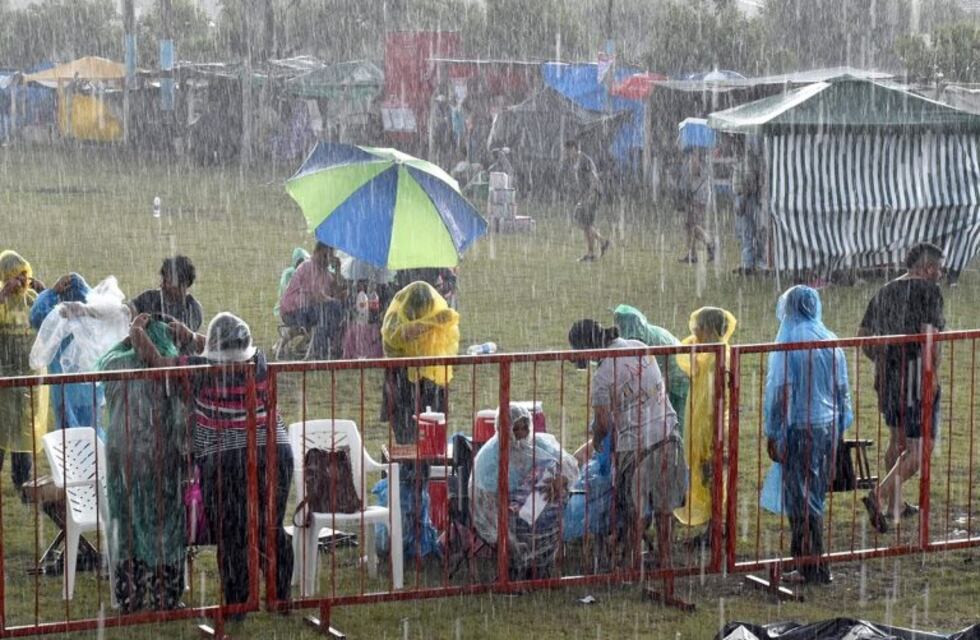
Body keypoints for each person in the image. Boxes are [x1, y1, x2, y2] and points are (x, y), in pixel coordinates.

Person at [128, 312, 294, 612]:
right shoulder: (260, 363)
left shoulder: (200, 369)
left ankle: (238, 603)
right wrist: (191, 336)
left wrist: (137, 330)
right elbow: (223, 346)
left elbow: (157, 364)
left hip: (224, 459)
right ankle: (280, 597)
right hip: (275, 453)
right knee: (271, 527)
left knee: (231, 532)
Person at [568, 319, 686, 568]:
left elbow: (602, 423)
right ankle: (665, 560)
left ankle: (632, 563)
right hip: (669, 435)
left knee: (636, 511)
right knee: (665, 507)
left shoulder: (602, 376)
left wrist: (599, 442)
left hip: (637, 447)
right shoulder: (638, 346)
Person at [762, 286, 852, 584]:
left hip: (801, 428)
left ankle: (812, 566)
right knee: (812, 495)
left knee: (800, 498)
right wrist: (838, 429)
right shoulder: (830, 339)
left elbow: (782, 391)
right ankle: (807, 561)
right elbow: (842, 391)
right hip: (826, 427)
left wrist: (774, 431)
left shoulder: (790, 341)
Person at [99, 318, 188, 611]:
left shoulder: (117, 365)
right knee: (164, 525)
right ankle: (166, 595)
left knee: (126, 525)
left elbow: (104, 360)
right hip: (159, 455)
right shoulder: (171, 366)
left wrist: (130, 337)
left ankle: (129, 596)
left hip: (122, 457)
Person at [859, 243, 946, 533]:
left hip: (887, 378)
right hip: (916, 377)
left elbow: (863, 337)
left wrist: (885, 359)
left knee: (897, 442)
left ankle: (896, 507)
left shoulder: (885, 290)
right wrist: (929, 377)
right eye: (938, 268)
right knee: (920, 450)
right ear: (928, 268)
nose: (940, 274)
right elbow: (928, 337)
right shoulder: (928, 291)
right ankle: (878, 495)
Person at [381, 281, 459, 558]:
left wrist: (439, 320)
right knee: (407, 460)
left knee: (427, 459)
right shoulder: (394, 317)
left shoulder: (429, 312)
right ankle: (405, 533)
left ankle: (420, 529)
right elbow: (400, 336)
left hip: (427, 390)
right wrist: (431, 322)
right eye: (420, 312)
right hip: (402, 392)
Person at [472, 403, 578, 580]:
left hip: (542, 508)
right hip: (510, 514)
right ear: (502, 429)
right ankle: (522, 564)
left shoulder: (540, 444)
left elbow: (570, 467)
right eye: (516, 428)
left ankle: (542, 564)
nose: (521, 433)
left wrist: (561, 480)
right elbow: (487, 503)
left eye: (525, 427)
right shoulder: (490, 457)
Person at [673, 307, 737, 538]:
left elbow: (717, 400)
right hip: (709, 426)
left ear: (708, 328)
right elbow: (685, 355)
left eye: (697, 327)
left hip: (714, 429)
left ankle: (717, 529)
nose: (694, 332)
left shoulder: (717, 356)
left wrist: (713, 434)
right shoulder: (712, 352)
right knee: (710, 477)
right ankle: (714, 528)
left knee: (712, 476)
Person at [29, 273, 103, 429]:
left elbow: (36, 317)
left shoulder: (60, 319)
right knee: (92, 438)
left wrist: (51, 292)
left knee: (68, 442)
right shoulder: (95, 316)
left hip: (64, 393)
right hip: (91, 394)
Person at [0, 250, 49, 487]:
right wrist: (3, 294)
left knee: (24, 433)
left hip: (28, 383)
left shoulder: (32, 299)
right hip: (4, 384)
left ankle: (22, 482)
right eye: (14, 275)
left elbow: (52, 318)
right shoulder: (2, 300)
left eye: (24, 274)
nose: (20, 280)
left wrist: (45, 293)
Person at [612, 304, 690, 436]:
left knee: (674, 423)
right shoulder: (645, 333)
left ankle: (675, 451)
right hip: (672, 378)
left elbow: (639, 369)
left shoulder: (642, 339)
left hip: (677, 379)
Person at [279, 242, 346, 359]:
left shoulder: (324, 272)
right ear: (316, 253)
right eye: (324, 256)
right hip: (294, 311)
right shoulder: (309, 267)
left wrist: (338, 270)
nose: (327, 260)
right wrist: (335, 302)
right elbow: (317, 296)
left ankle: (320, 347)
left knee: (333, 309)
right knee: (331, 309)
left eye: (329, 257)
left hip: (305, 310)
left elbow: (337, 291)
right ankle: (320, 348)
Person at [130, 255, 204, 331]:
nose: (162, 286)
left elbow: (179, 337)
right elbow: (130, 309)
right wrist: (125, 311)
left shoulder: (193, 309)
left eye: (168, 282)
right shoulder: (150, 297)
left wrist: (151, 321)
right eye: (163, 280)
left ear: (184, 285)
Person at [565, 139, 610, 262]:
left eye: (569, 151)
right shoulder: (578, 161)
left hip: (593, 194)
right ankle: (600, 244)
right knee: (584, 223)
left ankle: (593, 251)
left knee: (586, 223)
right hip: (587, 195)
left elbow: (593, 178)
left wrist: (590, 194)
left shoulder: (583, 160)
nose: (568, 154)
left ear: (574, 148)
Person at [678, 151, 716, 264]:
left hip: (698, 196)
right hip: (695, 195)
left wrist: (690, 166)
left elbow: (695, 170)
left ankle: (710, 243)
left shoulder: (696, 156)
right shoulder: (693, 156)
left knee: (693, 225)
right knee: (689, 225)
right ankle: (692, 254)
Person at [731, 136, 762, 274]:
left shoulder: (746, 159)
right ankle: (747, 262)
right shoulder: (743, 158)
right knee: (745, 231)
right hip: (742, 196)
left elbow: (749, 179)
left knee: (747, 231)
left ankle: (748, 264)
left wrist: (743, 197)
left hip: (746, 197)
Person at [273, 247, 309, 320]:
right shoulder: (288, 275)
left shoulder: (311, 275)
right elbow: (286, 296)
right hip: (290, 311)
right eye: (299, 263)